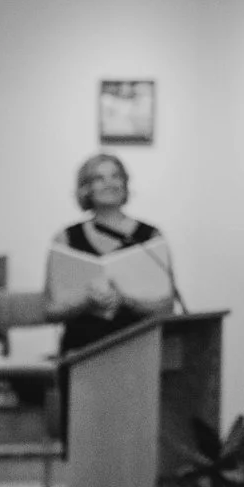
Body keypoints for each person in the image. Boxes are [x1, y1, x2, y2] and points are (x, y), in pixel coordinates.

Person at [47, 152, 182, 356]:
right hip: (81, 350)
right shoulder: (65, 239)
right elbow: (50, 310)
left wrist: (126, 300)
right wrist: (86, 300)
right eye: (99, 178)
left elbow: (166, 306)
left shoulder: (150, 238)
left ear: (125, 183)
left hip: (139, 349)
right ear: (86, 188)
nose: (109, 183)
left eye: (115, 176)